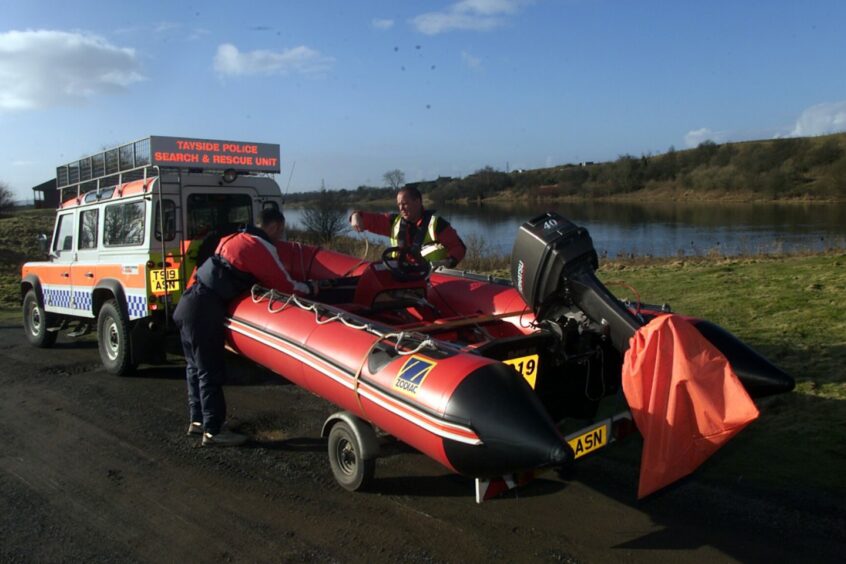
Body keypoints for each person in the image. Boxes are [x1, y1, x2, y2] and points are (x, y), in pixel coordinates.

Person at [173, 209, 316, 446]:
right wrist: (311, 289)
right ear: (276, 225)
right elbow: (285, 285)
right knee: (209, 370)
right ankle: (214, 430)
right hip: (203, 309)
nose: (281, 236)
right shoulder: (257, 245)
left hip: (188, 303)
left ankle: (198, 421)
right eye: (281, 230)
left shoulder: (231, 239)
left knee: (194, 368)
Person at [349, 186, 466, 268]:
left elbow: (458, 247)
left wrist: (449, 261)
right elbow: (369, 220)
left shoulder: (437, 224)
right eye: (399, 205)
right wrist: (355, 216)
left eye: (405, 204)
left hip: (429, 275)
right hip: (400, 273)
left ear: (418, 202)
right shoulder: (394, 222)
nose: (401, 208)